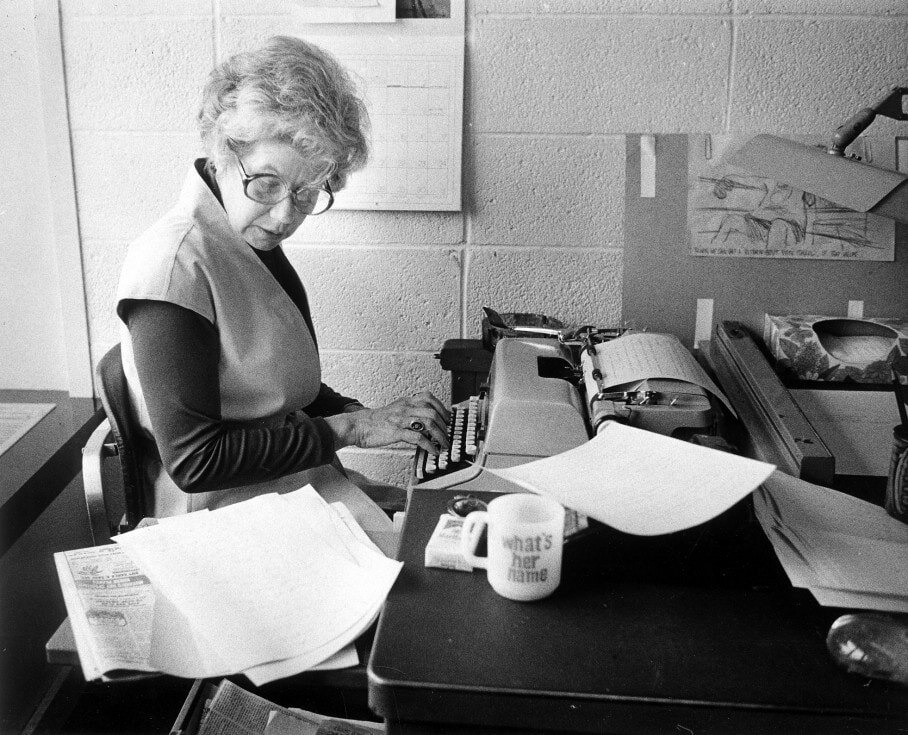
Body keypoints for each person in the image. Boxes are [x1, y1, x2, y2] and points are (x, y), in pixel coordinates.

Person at [116, 36, 449, 517]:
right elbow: (196, 461)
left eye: (307, 191)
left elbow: (275, 392)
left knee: (441, 519)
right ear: (222, 155)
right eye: (267, 183)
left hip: (291, 489)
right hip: (220, 515)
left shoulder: (244, 236)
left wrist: (368, 416)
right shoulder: (173, 264)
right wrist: (355, 430)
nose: (283, 215)